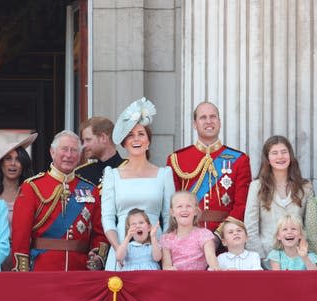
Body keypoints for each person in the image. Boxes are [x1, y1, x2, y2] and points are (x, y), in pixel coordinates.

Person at [11, 130, 106, 271]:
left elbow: (100, 232)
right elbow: (20, 234)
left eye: (74, 150)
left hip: (80, 270)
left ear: (80, 155)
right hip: (42, 269)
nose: (69, 155)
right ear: (52, 152)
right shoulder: (32, 186)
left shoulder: (91, 189)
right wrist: (22, 270)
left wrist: (98, 257)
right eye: (64, 149)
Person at [101, 97, 174, 270]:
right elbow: (108, 217)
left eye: (141, 134)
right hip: (121, 247)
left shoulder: (164, 174)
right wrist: (118, 247)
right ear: (125, 143)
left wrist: (161, 249)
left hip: (155, 248)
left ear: (148, 142)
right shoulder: (112, 174)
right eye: (131, 135)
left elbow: (169, 218)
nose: (136, 139)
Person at [167, 101, 252, 236]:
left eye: (213, 117)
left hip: (226, 239)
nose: (208, 121)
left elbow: (242, 205)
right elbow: (173, 203)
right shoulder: (177, 159)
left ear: (219, 122)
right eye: (203, 117)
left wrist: (220, 236)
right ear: (195, 124)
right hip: (188, 236)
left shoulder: (240, 160)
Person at [244, 135, 315, 262]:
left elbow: (310, 227)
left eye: (284, 152)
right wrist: (260, 257)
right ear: (267, 159)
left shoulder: (306, 187)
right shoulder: (256, 187)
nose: (280, 157)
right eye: (274, 153)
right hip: (266, 257)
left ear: (290, 156)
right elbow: (250, 226)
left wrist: (305, 255)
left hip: (298, 259)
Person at [0, 133, 36, 271]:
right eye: (8, 159)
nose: (13, 163)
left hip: (24, 258)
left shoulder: (31, 193)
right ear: (1, 163)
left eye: (18, 160)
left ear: (23, 164)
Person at [160, 191, 219, 271]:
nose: (184, 209)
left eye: (188, 206)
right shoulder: (166, 239)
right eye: (179, 206)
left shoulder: (204, 235)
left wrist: (214, 267)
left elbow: (212, 260)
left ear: (195, 211)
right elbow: (166, 266)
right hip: (176, 280)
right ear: (172, 212)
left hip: (198, 280)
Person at [75, 116, 124, 185]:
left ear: (103, 138)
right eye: (83, 141)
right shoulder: (81, 174)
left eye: (88, 140)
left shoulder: (129, 170)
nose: (84, 145)